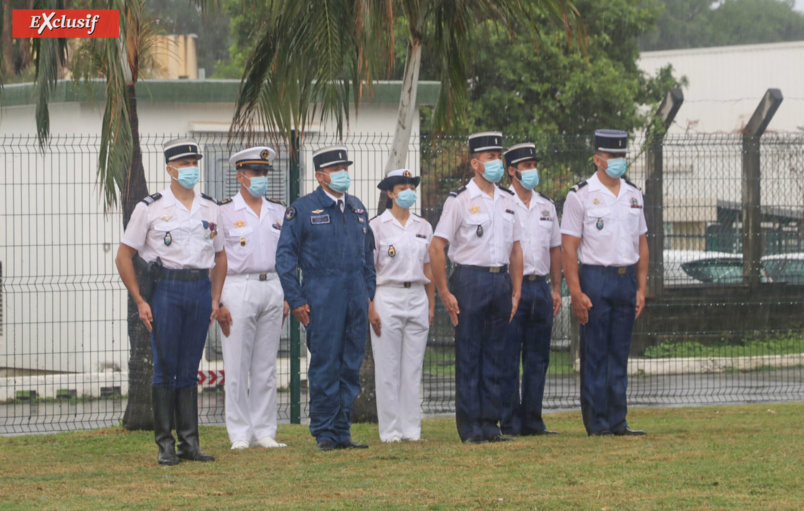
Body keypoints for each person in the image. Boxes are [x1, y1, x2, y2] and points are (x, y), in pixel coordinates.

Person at [115, 137, 226, 465]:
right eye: (185, 164)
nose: (192, 169)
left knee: (190, 367)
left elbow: (220, 256)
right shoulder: (150, 207)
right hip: (166, 289)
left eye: (195, 163)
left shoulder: (210, 207)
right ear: (170, 169)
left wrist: (215, 298)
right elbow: (124, 256)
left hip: (199, 289)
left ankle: (190, 443)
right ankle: (165, 445)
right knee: (165, 367)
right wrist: (140, 300)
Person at [276, 145, 376, 452]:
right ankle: (324, 432)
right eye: (336, 170)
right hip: (322, 295)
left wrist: (368, 292)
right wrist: (295, 299)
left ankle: (342, 429)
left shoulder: (357, 208)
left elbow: (368, 257)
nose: (343, 174)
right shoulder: (303, 210)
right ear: (320, 176)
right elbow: (284, 258)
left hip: (355, 296)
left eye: (345, 168)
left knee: (350, 364)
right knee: (325, 365)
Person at [429, 131, 524, 444]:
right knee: (469, 354)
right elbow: (437, 246)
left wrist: (516, 290)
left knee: (496, 355)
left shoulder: (508, 200)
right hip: (470, 279)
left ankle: (490, 425)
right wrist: (444, 292)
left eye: (499, 156)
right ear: (475, 163)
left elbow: (516, 249)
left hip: (500, 280)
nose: (497, 162)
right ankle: (470, 428)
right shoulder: (460, 200)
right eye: (490, 157)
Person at [560, 129, 649, 437]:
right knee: (595, 353)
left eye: (622, 155)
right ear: (598, 159)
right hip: (596, 278)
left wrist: (642, 287)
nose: (618, 161)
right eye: (612, 156)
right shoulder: (580, 195)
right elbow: (568, 247)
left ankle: (617, 420)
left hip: (625, 279)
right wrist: (575, 291)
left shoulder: (634, 194)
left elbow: (642, 243)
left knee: (619, 353)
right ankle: (597, 421)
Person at [216, 146, 290, 450]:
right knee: (236, 365)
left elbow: (287, 256)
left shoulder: (279, 211)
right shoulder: (223, 211)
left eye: (264, 172)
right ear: (240, 176)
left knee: (266, 366)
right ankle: (239, 433)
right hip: (238, 286)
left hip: (272, 285)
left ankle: (264, 430)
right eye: (255, 172)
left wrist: (287, 294)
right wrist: (218, 301)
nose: (261, 177)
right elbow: (215, 258)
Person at [500, 143, 562, 437]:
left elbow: (555, 248)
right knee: (509, 357)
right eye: (526, 166)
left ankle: (533, 421)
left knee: (538, 358)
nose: (532, 170)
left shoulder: (546, 205)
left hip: (540, 287)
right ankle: (510, 422)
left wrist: (557, 288)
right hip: (513, 287)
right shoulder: (502, 202)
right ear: (512, 171)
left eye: (534, 165)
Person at [368, 169, 435, 443]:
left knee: (412, 367)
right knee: (388, 368)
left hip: (417, 295)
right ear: (390, 193)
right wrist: (370, 307)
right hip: (387, 295)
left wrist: (431, 304)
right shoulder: (377, 226)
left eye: (412, 187)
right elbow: (369, 270)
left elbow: (428, 267)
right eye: (402, 187)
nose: (408, 192)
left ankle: (411, 429)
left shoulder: (423, 226)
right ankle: (390, 431)